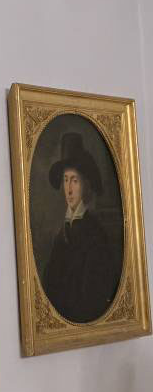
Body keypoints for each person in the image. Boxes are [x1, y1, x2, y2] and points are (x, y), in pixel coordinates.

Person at [41, 132, 118, 322]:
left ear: (86, 184)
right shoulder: (61, 233)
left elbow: (93, 291)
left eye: (75, 180)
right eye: (65, 179)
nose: (69, 189)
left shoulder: (95, 233)